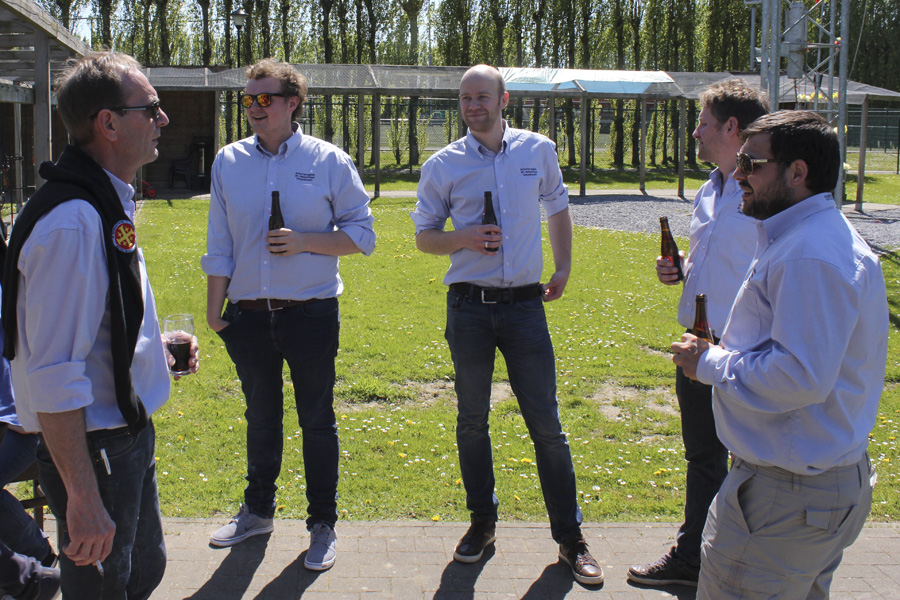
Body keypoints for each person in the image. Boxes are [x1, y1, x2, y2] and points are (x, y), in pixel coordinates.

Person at [0, 51, 198, 600]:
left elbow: (91, 328)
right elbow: (53, 371)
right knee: (106, 588)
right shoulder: (73, 221)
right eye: (150, 108)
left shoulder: (99, 199)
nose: (163, 119)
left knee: (142, 571)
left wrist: (152, 352)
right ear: (107, 123)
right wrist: (82, 497)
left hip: (121, 438)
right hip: (95, 448)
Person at [672, 110, 888, 598]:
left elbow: (799, 376)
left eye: (751, 164)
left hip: (786, 496)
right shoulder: (810, 238)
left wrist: (709, 362)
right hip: (806, 488)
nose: (738, 175)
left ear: (797, 172)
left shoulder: (809, 254)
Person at [411, 64, 603, 585]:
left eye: (482, 96)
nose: (473, 106)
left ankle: (570, 538)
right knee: (472, 420)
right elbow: (424, 237)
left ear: (504, 99)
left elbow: (557, 208)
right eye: (465, 98)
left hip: (524, 308)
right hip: (469, 308)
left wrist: (563, 267)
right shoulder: (443, 165)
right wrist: (464, 238)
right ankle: (482, 524)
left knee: (547, 425)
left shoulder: (537, 150)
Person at [202, 59, 375, 571]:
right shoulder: (229, 161)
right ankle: (257, 512)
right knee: (260, 418)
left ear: (292, 102)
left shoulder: (328, 160)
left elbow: (362, 236)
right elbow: (219, 241)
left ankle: (322, 524)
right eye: (248, 100)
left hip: (310, 314)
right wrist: (214, 312)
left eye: (265, 99)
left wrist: (304, 242)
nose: (254, 108)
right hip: (249, 316)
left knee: (316, 420)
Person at [628, 79, 768, 587]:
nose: (695, 132)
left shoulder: (765, 191)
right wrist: (681, 268)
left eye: (703, 123)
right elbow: (722, 260)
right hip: (697, 342)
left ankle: (748, 562)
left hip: (745, 348)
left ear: (731, 127)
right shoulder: (711, 187)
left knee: (753, 462)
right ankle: (694, 559)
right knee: (703, 458)